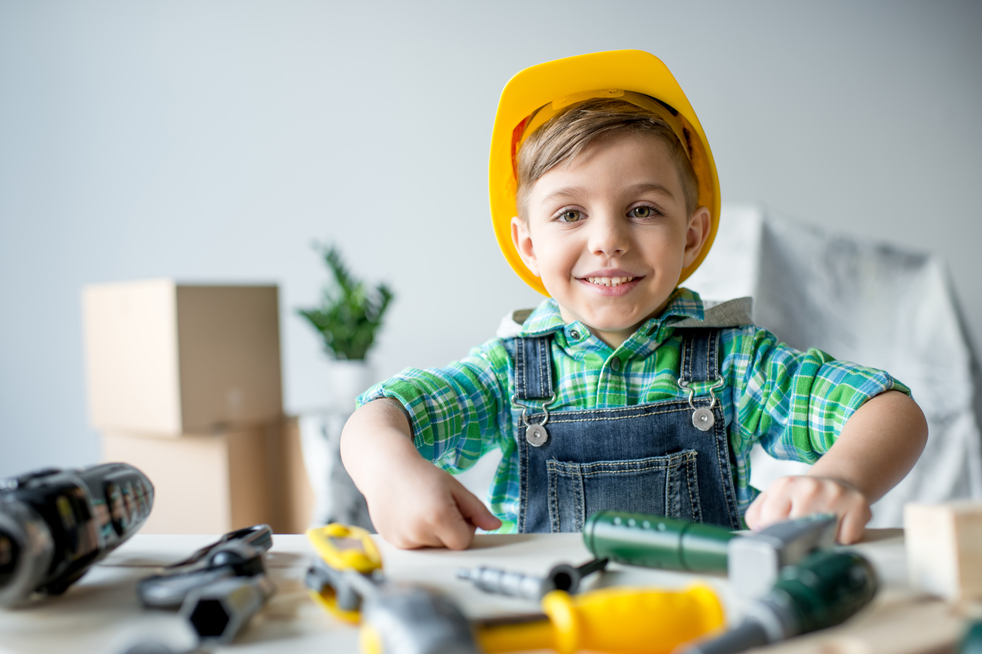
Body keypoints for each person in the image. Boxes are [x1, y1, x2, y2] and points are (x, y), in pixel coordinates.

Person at [340, 50, 927, 550]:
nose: (609, 242)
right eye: (570, 214)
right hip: (553, 625)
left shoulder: (737, 364)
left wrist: (845, 478)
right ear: (529, 247)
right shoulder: (506, 373)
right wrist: (387, 469)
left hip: (709, 619)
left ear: (692, 235)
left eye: (642, 210)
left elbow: (889, 409)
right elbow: (379, 416)